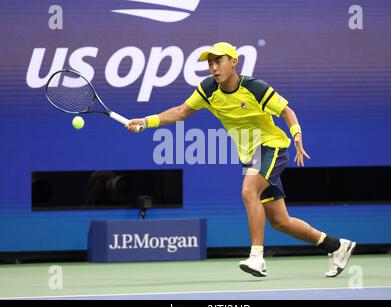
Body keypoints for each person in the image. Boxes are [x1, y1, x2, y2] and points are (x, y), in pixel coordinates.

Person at [126, 42, 356, 278]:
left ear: (233, 62)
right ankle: (337, 246)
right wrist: (145, 122)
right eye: (210, 63)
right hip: (250, 156)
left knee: (249, 192)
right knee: (280, 221)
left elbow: (287, 111)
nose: (214, 68)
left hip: (271, 147)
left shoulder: (254, 87)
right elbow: (180, 111)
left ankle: (257, 257)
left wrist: (296, 133)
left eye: (219, 61)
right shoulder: (208, 89)